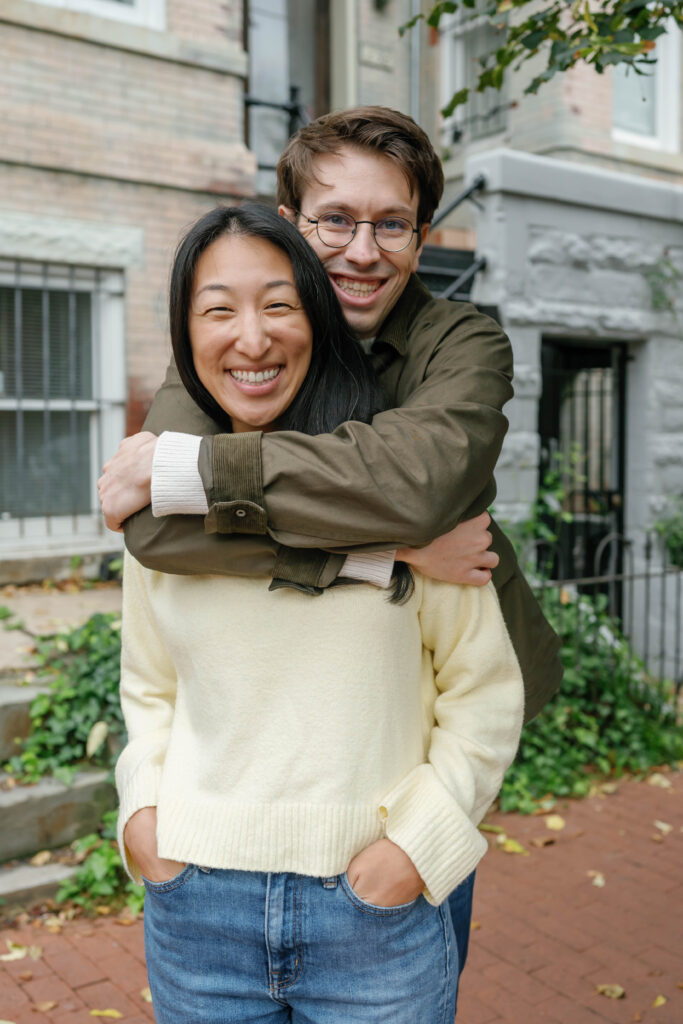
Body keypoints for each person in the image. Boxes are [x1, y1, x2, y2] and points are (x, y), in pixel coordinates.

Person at [99, 105, 562, 967]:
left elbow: (422, 485)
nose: (361, 249)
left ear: (421, 237)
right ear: (290, 222)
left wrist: (201, 473)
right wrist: (385, 553)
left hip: (411, 763)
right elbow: (159, 537)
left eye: (391, 223)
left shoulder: (458, 343)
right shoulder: (239, 343)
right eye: (336, 220)